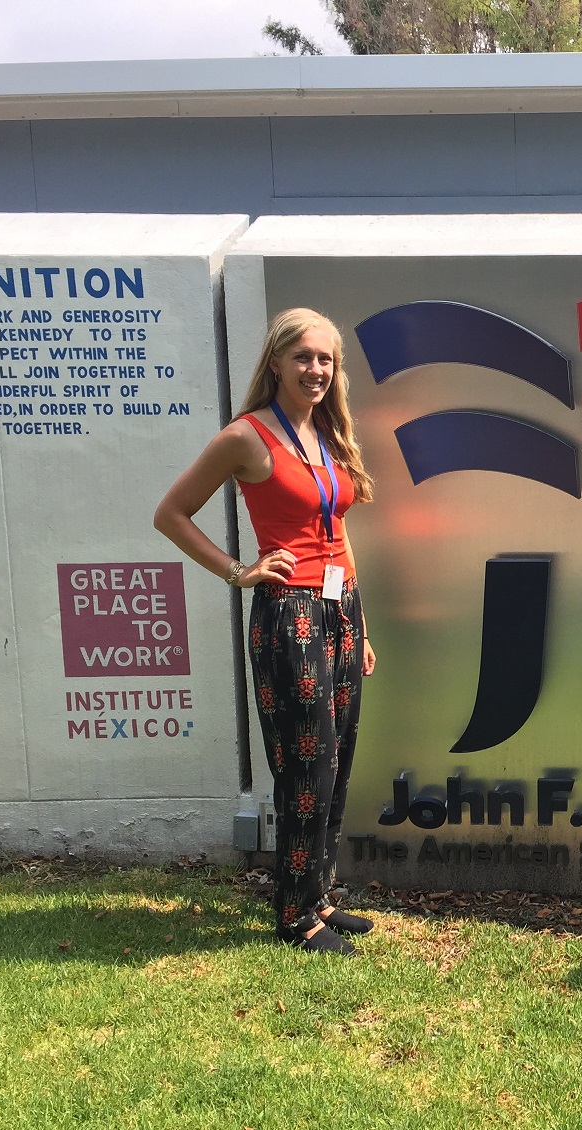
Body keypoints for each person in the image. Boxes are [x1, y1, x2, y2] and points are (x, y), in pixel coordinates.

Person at [156, 308, 377, 956]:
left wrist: (359, 628)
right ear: (277, 361)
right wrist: (238, 570)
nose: (315, 369)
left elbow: (339, 533)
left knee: (335, 764)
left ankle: (319, 895)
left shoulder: (329, 434)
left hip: (340, 610)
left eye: (326, 360)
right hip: (292, 617)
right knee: (304, 768)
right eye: (304, 357)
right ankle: (293, 916)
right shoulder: (247, 437)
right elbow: (171, 513)